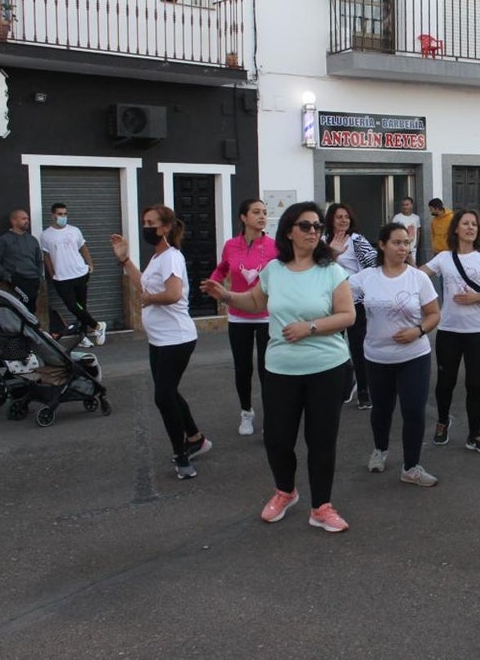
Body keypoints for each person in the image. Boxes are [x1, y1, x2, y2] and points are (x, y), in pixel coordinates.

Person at [201, 202, 356, 532]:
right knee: (277, 438)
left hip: (326, 367)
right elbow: (256, 301)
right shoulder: (274, 269)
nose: (313, 231)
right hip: (281, 369)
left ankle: (321, 507)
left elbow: (348, 315)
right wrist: (226, 295)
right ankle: (285, 492)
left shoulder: (330, 270)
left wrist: (309, 327)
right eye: (306, 226)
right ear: (289, 231)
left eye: (318, 227)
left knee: (321, 440)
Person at [111, 206, 206, 480]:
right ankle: (196, 438)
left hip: (176, 339)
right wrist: (125, 260)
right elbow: (144, 285)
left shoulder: (171, 257)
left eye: (151, 223)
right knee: (169, 392)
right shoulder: (157, 257)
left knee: (163, 397)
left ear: (165, 228)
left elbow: (173, 294)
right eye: (144, 222)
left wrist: (150, 300)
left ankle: (181, 456)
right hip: (160, 340)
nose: (146, 227)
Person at [351, 223, 441, 486]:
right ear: (382, 245)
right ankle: (380, 449)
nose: (404, 248)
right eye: (397, 242)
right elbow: (336, 293)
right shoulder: (366, 277)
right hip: (377, 358)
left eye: (406, 243)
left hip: (414, 357)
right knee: (381, 410)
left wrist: (418, 330)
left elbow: (434, 314)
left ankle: (411, 467)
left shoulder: (418, 278)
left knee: (413, 411)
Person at [420, 210, 480, 453]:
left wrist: (478, 297)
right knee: (445, 382)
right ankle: (442, 421)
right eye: (465, 223)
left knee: (475, 384)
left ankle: (475, 434)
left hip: (478, 331)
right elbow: (416, 275)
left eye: (474, 224)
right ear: (456, 229)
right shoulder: (444, 258)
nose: (470, 228)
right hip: (449, 330)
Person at [209, 198, 276, 436]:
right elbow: (222, 268)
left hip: (266, 315)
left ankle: (271, 417)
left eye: (264, 212)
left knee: (267, 369)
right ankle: (246, 412)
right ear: (243, 217)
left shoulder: (274, 246)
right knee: (243, 368)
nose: (262, 216)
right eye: (256, 212)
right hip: (238, 315)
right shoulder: (231, 245)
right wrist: (213, 283)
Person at [324, 203, 377, 409]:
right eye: (339, 217)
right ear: (331, 219)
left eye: (346, 216)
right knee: (333, 348)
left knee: (358, 347)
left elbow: (374, 263)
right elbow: (316, 267)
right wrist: (332, 253)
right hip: (329, 304)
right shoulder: (322, 240)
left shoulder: (357, 240)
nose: (343, 220)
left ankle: (364, 390)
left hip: (355, 302)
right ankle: (346, 382)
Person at [41, 202, 106, 347]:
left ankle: (83, 336)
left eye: (65, 214)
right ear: (53, 215)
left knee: (81, 306)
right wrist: (52, 274)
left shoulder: (75, 230)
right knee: (72, 306)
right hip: (62, 278)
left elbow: (83, 248)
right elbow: (46, 256)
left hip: (80, 273)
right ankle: (98, 326)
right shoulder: (46, 235)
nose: (63, 217)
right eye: (60, 214)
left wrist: (90, 265)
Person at [0, 209, 42, 315]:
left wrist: (39, 276)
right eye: (23, 219)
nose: (27, 221)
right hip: (17, 278)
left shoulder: (32, 240)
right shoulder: (4, 240)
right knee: (28, 299)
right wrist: (8, 276)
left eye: (27, 218)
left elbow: (39, 260)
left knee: (32, 303)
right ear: (14, 221)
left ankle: (28, 323)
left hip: (33, 279)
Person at [392, 196, 422, 265]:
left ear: (411, 205)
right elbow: (393, 232)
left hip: (412, 248)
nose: (405, 207)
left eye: (407, 205)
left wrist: (416, 244)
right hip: (400, 248)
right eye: (403, 205)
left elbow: (418, 231)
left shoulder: (416, 218)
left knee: (412, 266)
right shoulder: (397, 218)